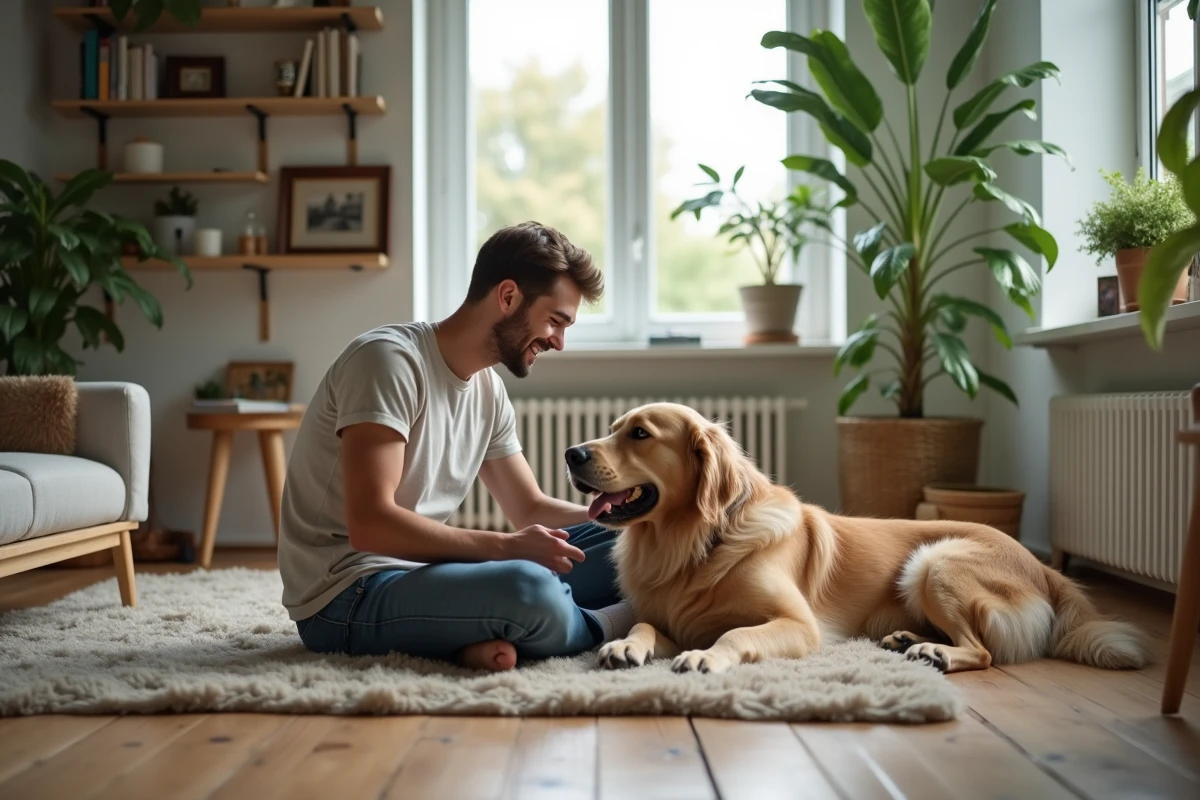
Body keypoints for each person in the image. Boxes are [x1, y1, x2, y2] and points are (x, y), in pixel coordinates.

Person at [277, 221, 633, 672]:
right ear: (508, 297)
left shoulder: (489, 391)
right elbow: (370, 526)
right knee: (528, 588)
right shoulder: (387, 361)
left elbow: (530, 509)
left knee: (634, 540)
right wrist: (506, 548)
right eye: (555, 321)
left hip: (424, 574)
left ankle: (476, 635)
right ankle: (621, 620)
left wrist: (635, 519)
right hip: (346, 594)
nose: (559, 342)